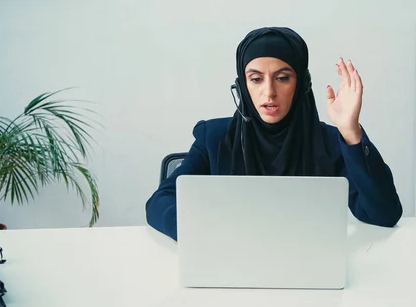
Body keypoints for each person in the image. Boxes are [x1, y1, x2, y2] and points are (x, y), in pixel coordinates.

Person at [145, 26, 403, 241]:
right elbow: (159, 202)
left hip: (308, 273)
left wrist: (351, 133)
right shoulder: (213, 138)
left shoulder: (328, 143)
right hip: (231, 266)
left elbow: (384, 215)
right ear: (242, 86)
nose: (269, 92)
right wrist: (205, 232)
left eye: (282, 78)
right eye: (256, 79)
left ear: (301, 82)